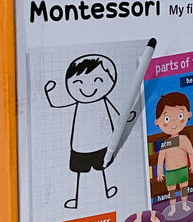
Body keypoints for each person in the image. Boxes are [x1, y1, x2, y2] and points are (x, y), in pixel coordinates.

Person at [44, 54, 134, 209]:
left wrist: (126, 117)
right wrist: (49, 93)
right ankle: (75, 198)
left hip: (104, 143)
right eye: (78, 82)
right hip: (80, 145)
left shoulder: (104, 100)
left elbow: (118, 114)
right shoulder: (78, 103)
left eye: (98, 80)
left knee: (103, 167)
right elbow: (56, 103)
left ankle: (107, 189)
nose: (88, 88)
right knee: (78, 171)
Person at [154, 92, 193, 217]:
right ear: (157, 122)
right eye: (167, 119)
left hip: (182, 169)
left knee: (184, 188)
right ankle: (172, 208)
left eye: (180, 116)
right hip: (170, 172)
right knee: (171, 191)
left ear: (188, 115)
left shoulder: (184, 139)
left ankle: (184, 204)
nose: (173, 122)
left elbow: (191, 153)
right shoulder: (165, 143)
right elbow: (160, 159)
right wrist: (160, 172)